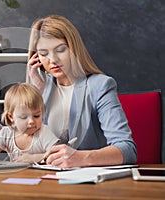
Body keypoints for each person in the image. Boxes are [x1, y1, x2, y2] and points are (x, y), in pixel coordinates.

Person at [26, 15, 137, 168]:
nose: (53, 60)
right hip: (46, 178)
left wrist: (82, 158)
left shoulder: (100, 86)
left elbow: (127, 149)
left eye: (60, 50)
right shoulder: (41, 89)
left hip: (89, 182)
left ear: (74, 49)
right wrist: (36, 94)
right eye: (44, 53)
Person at [0, 83, 59, 164]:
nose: (31, 121)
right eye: (24, 117)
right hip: (16, 174)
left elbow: (57, 154)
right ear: (11, 117)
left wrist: (34, 158)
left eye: (36, 116)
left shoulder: (43, 132)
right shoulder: (7, 132)